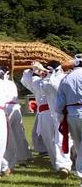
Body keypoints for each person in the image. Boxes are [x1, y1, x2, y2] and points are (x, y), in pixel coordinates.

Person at [56, 54, 82, 183]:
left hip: (71, 114)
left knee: (78, 145)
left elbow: (60, 102)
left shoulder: (66, 78)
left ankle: (80, 173)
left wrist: (61, 114)